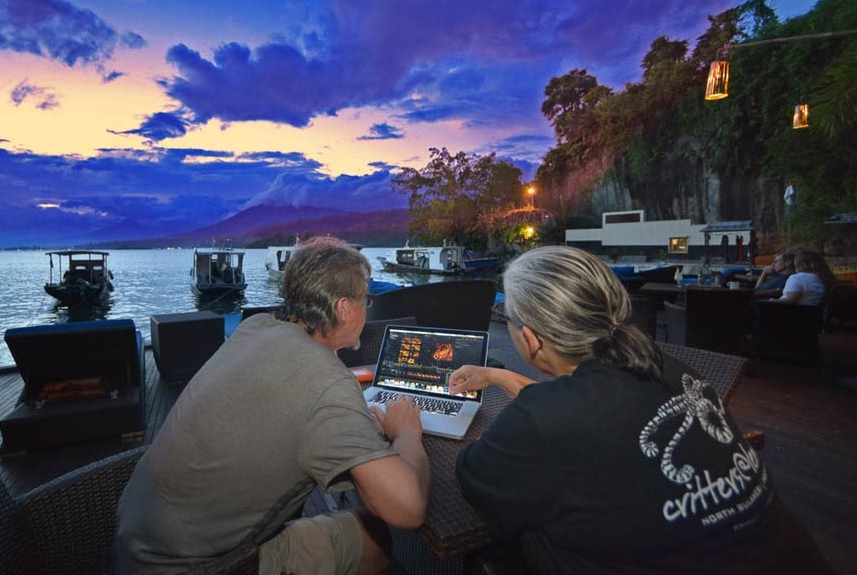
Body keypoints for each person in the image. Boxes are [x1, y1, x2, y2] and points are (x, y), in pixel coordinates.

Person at [449, 246, 829, 574]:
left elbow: (473, 481)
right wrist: (498, 376)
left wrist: (404, 430)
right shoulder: (666, 368)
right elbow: (575, 410)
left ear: (529, 339)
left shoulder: (543, 422)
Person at [115, 237, 429, 574]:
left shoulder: (256, 327)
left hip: (136, 539)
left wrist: (347, 418)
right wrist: (407, 434)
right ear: (343, 308)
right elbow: (407, 510)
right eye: (365, 299)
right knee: (376, 537)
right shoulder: (327, 384)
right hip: (192, 566)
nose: (367, 308)